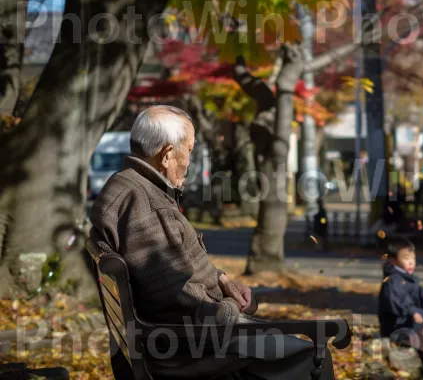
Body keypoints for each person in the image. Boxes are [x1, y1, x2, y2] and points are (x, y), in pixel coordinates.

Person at [90, 105, 336, 379]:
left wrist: (223, 281)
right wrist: (234, 309)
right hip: (184, 349)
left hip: (176, 340)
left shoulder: (128, 186)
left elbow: (171, 273)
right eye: (190, 150)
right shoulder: (145, 205)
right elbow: (177, 301)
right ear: (168, 155)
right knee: (316, 355)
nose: (190, 160)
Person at [378, 239, 423, 380]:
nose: (411, 262)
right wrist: (412, 311)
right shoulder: (392, 281)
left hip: (410, 320)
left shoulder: (408, 278)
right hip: (397, 325)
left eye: (413, 258)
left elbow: (422, 294)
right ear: (393, 261)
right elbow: (397, 302)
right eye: (406, 258)